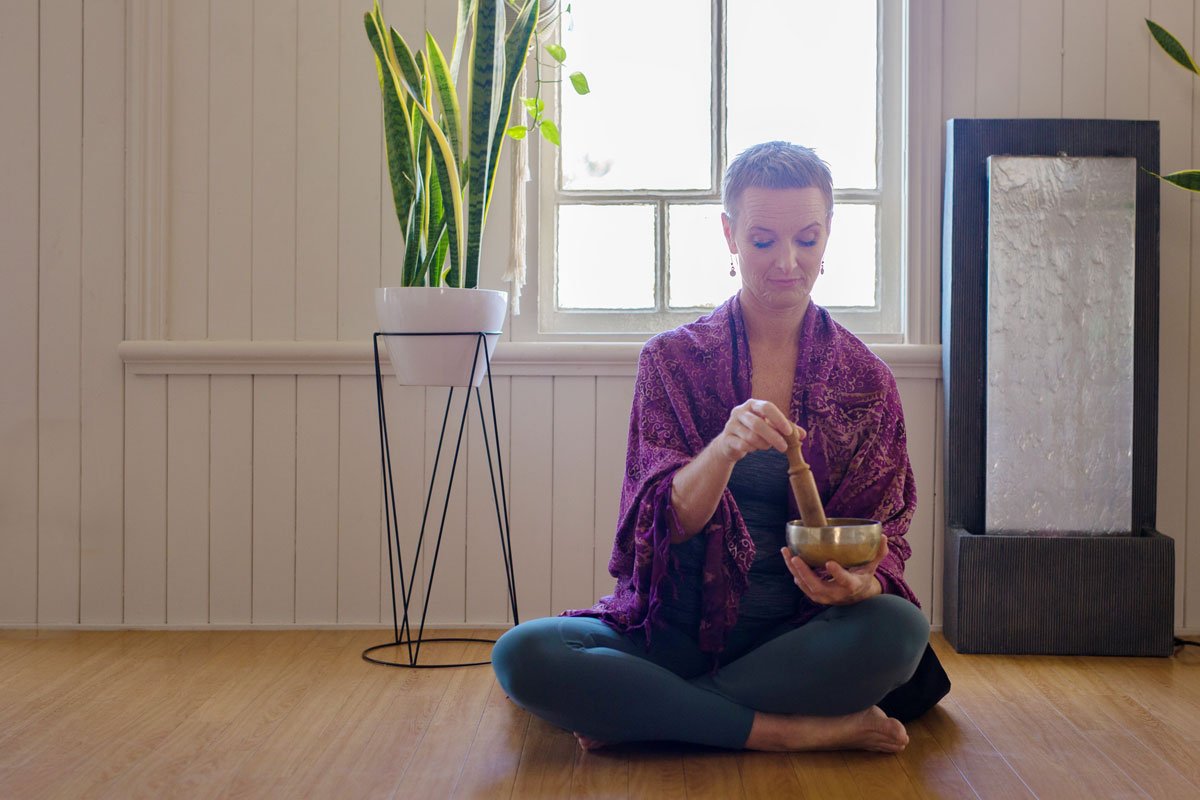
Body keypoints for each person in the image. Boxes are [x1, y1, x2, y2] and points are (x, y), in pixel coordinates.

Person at [492, 141, 940, 753]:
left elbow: (885, 537)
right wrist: (723, 450)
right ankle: (784, 731)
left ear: (829, 234)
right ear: (729, 234)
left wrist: (862, 587)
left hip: (801, 634)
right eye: (763, 241)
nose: (787, 261)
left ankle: (649, 708)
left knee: (901, 630)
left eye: (807, 240)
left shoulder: (866, 381)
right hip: (675, 629)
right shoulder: (673, 361)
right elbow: (662, 521)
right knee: (523, 655)